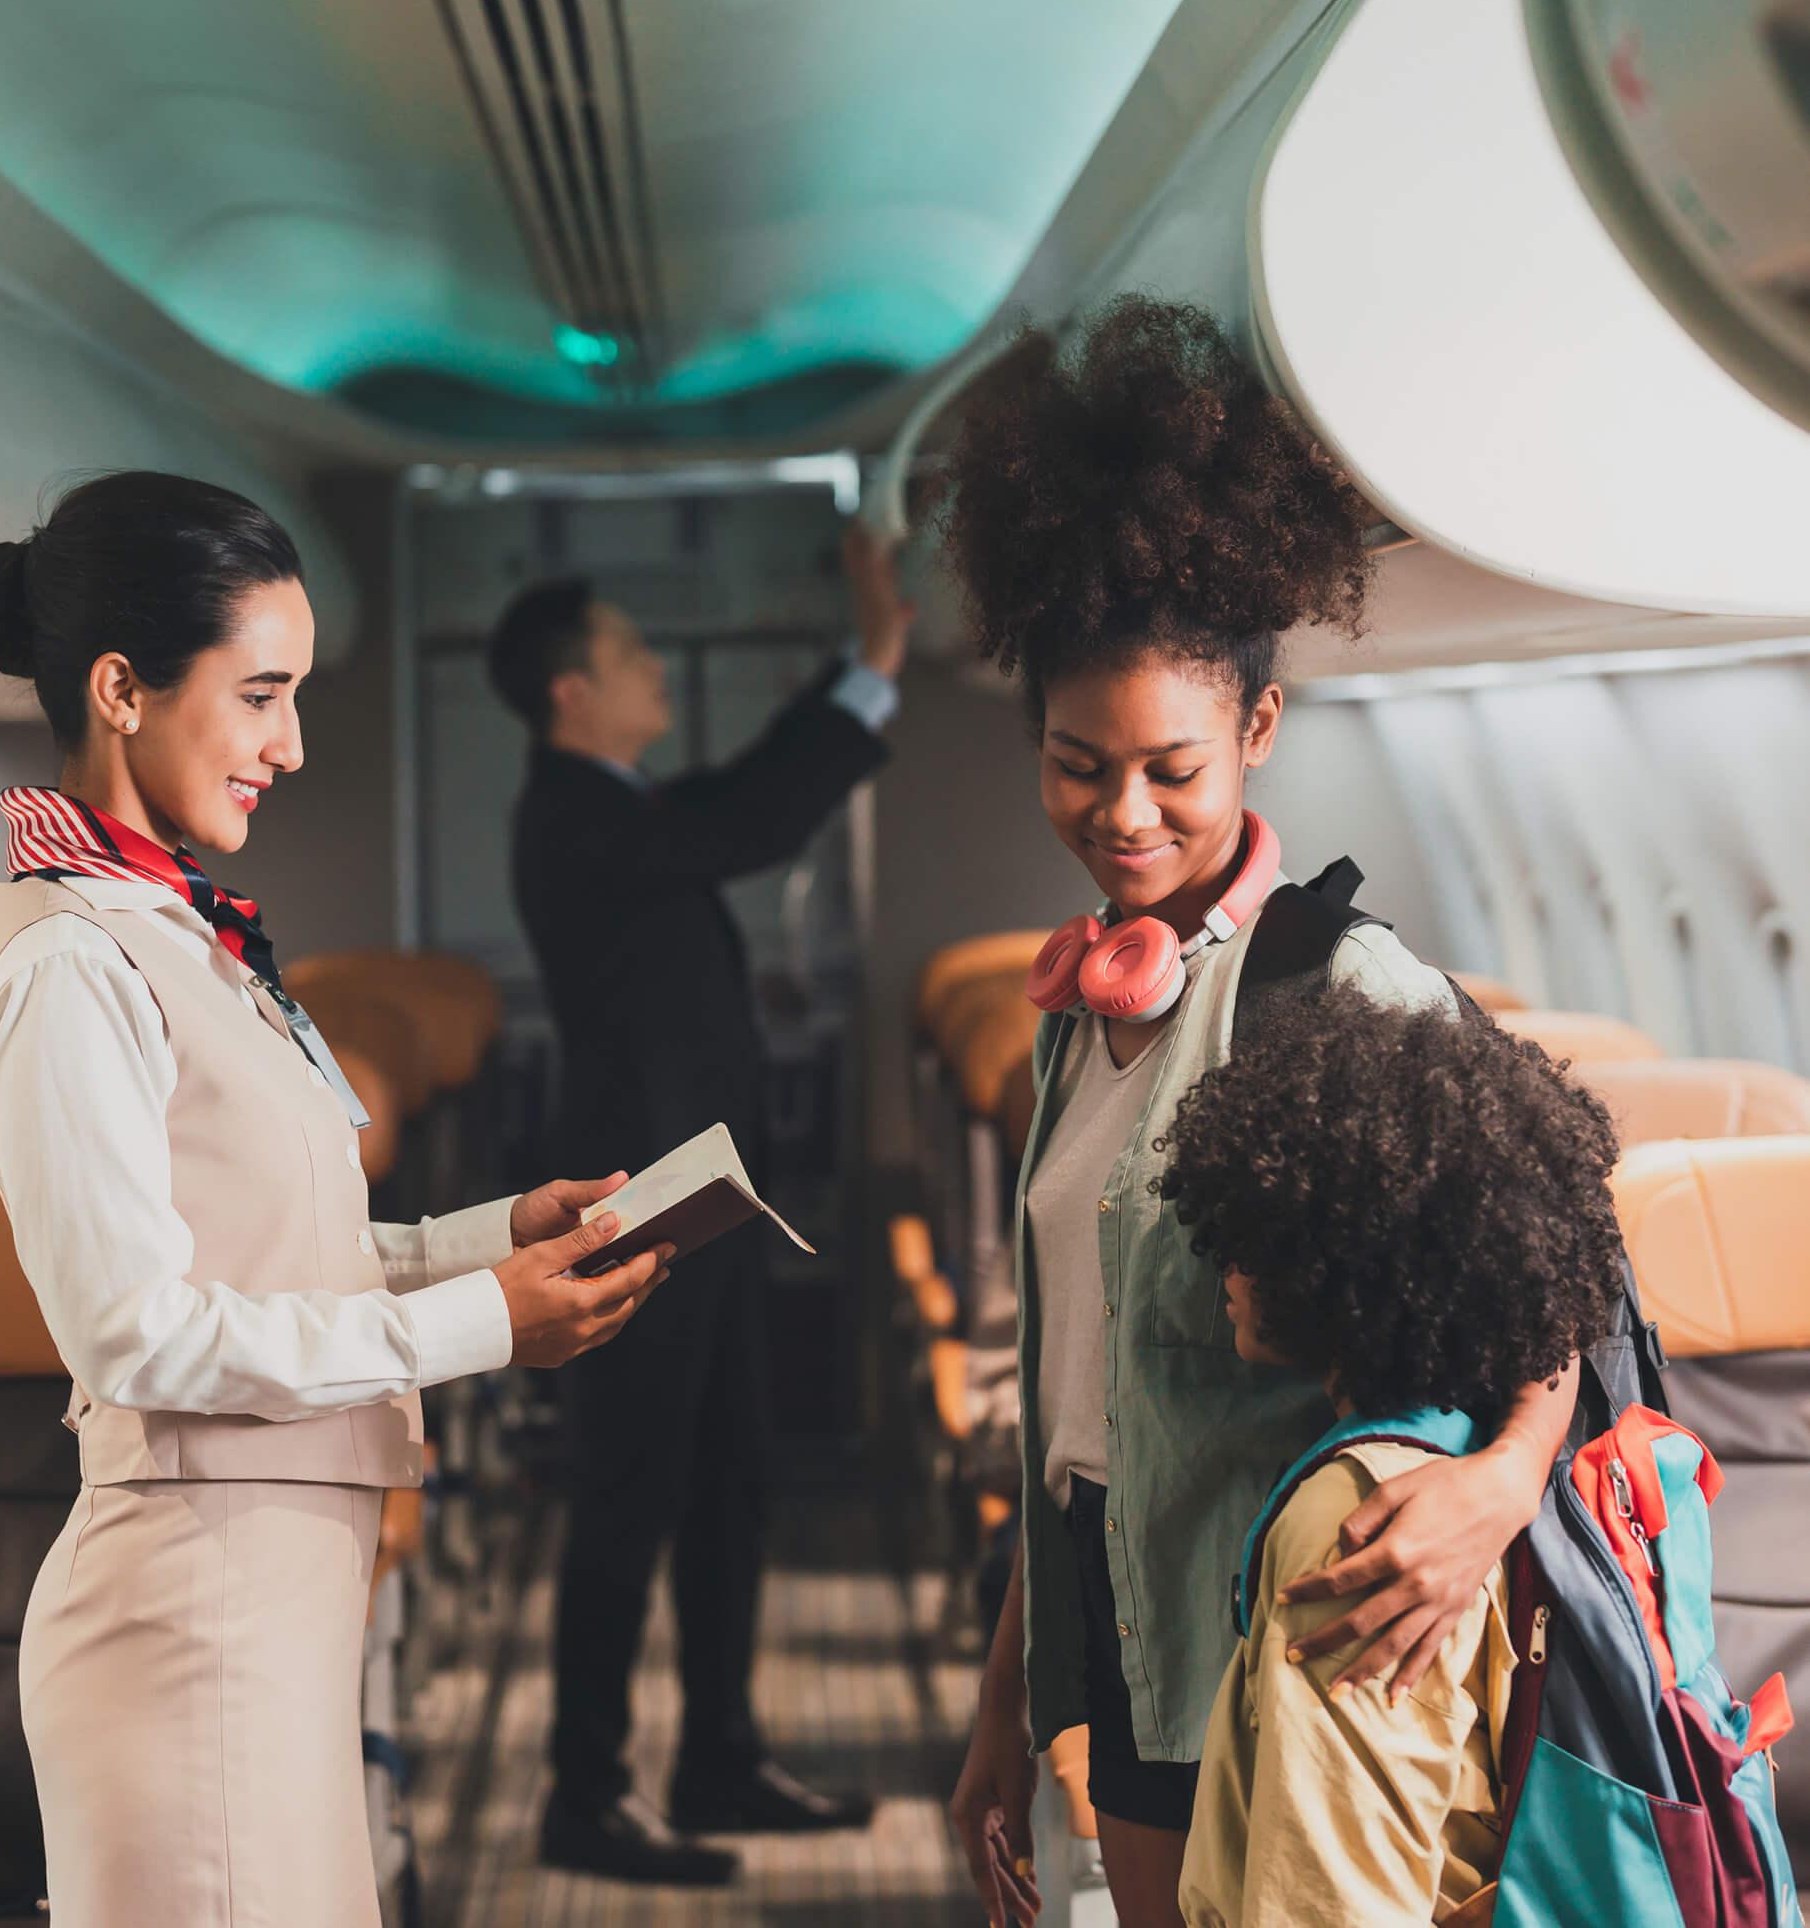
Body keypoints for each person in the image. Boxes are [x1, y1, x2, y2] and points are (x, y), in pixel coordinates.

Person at [0, 470, 670, 1928]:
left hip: (265, 1605)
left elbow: (276, 1248)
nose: (290, 740)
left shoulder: (170, 924)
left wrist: (490, 1241)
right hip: (185, 1627)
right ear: (122, 689)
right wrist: (478, 1322)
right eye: (263, 691)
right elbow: (136, 1335)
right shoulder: (68, 961)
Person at [940, 298, 1584, 1928]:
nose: (1122, 814)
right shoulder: (1071, 1021)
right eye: (1077, 766)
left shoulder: (1334, 985)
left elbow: (1559, 1277)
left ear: (1256, 728)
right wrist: (1001, 1720)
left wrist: (1500, 1485)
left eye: (1168, 766)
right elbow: (1073, 1402)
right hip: (1106, 1583)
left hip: (1275, 1614)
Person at [488, 525, 911, 1885]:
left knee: (730, 1478)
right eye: (627, 651)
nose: (652, 665)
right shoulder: (576, 807)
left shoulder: (607, 810)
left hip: (699, 1199)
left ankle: (718, 1753)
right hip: (633, 1209)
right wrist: (871, 656)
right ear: (570, 690)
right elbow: (749, 816)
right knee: (629, 1490)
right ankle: (583, 1789)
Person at [1165, 984, 1625, 1925]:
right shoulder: (1477, 1455)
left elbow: (1332, 1898)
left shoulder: (1360, 1529)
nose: (1224, 1265)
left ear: (1336, 1259)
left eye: (1254, 1234)